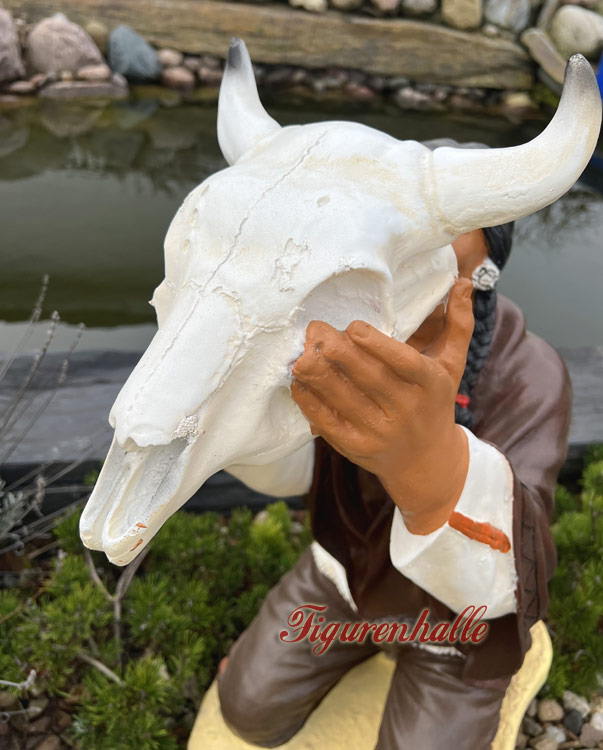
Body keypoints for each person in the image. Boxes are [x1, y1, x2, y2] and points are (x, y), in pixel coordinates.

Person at [216, 185, 572, 748]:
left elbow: (518, 564)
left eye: (435, 263)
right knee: (247, 706)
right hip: (348, 571)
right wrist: (241, 419)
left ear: (482, 272)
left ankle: (487, 679)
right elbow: (299, 471)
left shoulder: (531, 376)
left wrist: (429, 466)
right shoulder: (344, 336)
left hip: (459, 618)